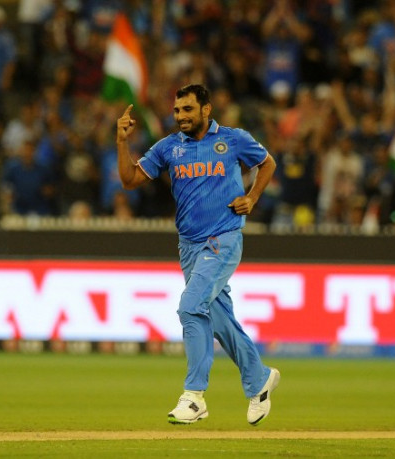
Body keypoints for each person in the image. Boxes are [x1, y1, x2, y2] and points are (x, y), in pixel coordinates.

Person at [116, 84, 280, 426]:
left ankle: (194, 397)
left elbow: (267, 164)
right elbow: (131, 179)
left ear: (206, 109)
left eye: (187, 110)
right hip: (189, 246)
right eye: (177, 111)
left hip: (223, 239)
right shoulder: (168, 147)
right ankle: (259, 379)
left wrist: (251, 198)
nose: (180, 117)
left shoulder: (233, 139)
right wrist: (122, 141)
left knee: (190, 307)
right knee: (218, 319)